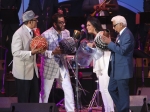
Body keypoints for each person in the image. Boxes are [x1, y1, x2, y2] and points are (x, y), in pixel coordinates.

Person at [39, 13, 75, 112]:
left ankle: (71, 110)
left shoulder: (66, 32)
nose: (63, 24)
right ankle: (41, 110)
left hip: (62, 65)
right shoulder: (45, 34)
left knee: (68, 89)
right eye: (61, 23)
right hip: (49, 66)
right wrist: (52, 52)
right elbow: (40, 52)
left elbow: (68, 48)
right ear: (55, 24)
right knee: (45, 92)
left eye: (64, 22)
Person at [101, 15, 135, 112]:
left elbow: (123, 50)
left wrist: (109, 43)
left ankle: (124, 110)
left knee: (123, 93)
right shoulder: (121, 34)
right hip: (115, 70)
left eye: (114, 25)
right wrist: (109, 44)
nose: (113, 27)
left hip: (123, 70)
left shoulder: (127, 34)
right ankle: (122, 109)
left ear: (121, 24)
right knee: (111, 89)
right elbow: (117, 49)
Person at [11, 10, 42, 103]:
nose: (37, 21)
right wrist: (30, 53)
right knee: (23, 101)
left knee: (34, 99)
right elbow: (15, 52)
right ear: (30, 21)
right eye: (35, 20)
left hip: (33, 72)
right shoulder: (18, 33)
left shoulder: (33, 32)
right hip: (23, 73)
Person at [86, 16, 114, 112]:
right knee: (102, 90)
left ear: (94, 25)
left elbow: (104, 45)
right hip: (101, 64)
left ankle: (111, 110)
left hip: (106, 63)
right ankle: (107, 110)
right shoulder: (96, 36)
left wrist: (93, 45)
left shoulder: (102, 33)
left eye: (89, 25)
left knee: (107, 89)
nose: (87, 27)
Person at [1, 0, 22, 73]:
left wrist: (13, 12)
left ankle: (12, 68)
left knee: (14, 45)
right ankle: (2, 68)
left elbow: (18, 3)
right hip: (1, 21)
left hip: (13, 20)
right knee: (1, 45)